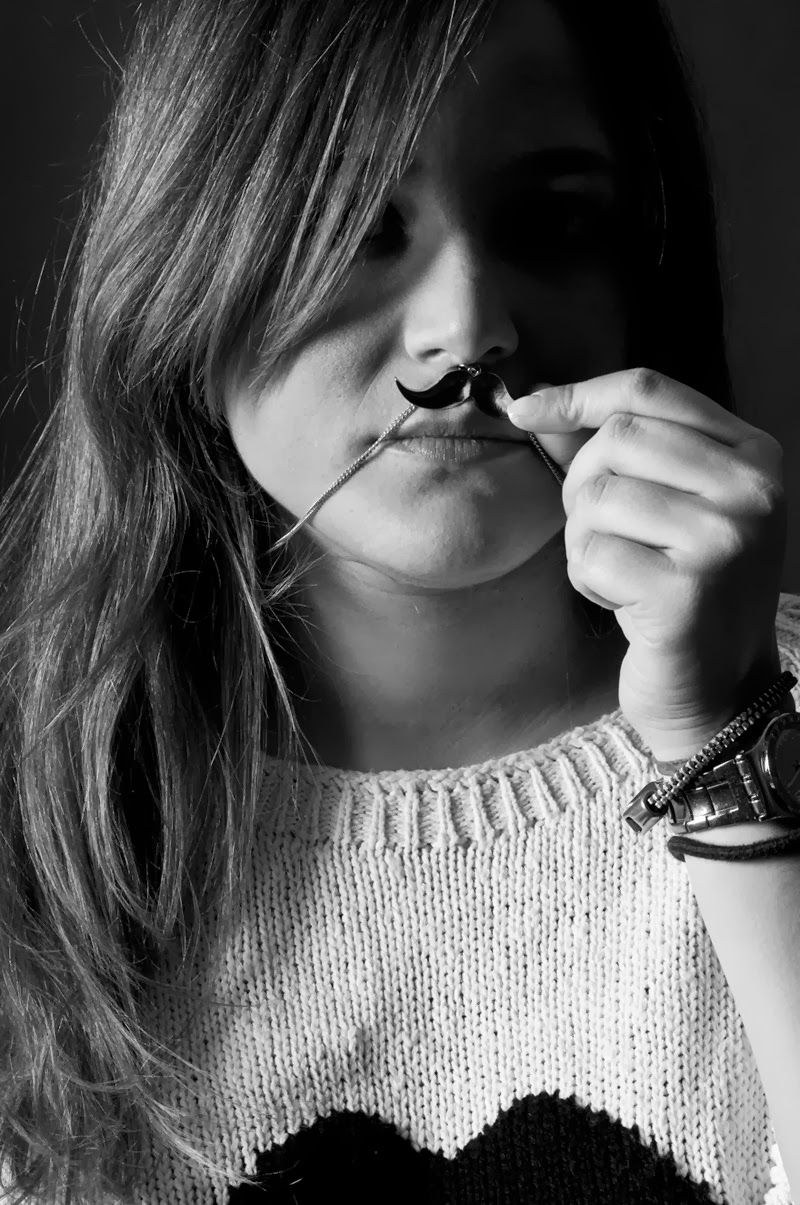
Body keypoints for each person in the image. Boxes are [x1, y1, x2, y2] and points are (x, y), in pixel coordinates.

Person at [1, 0, 799, 1201]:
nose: (467, 328)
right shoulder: (36, 807)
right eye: (354, 223)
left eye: (551, 220)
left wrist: (728, 734)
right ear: (181, 274)